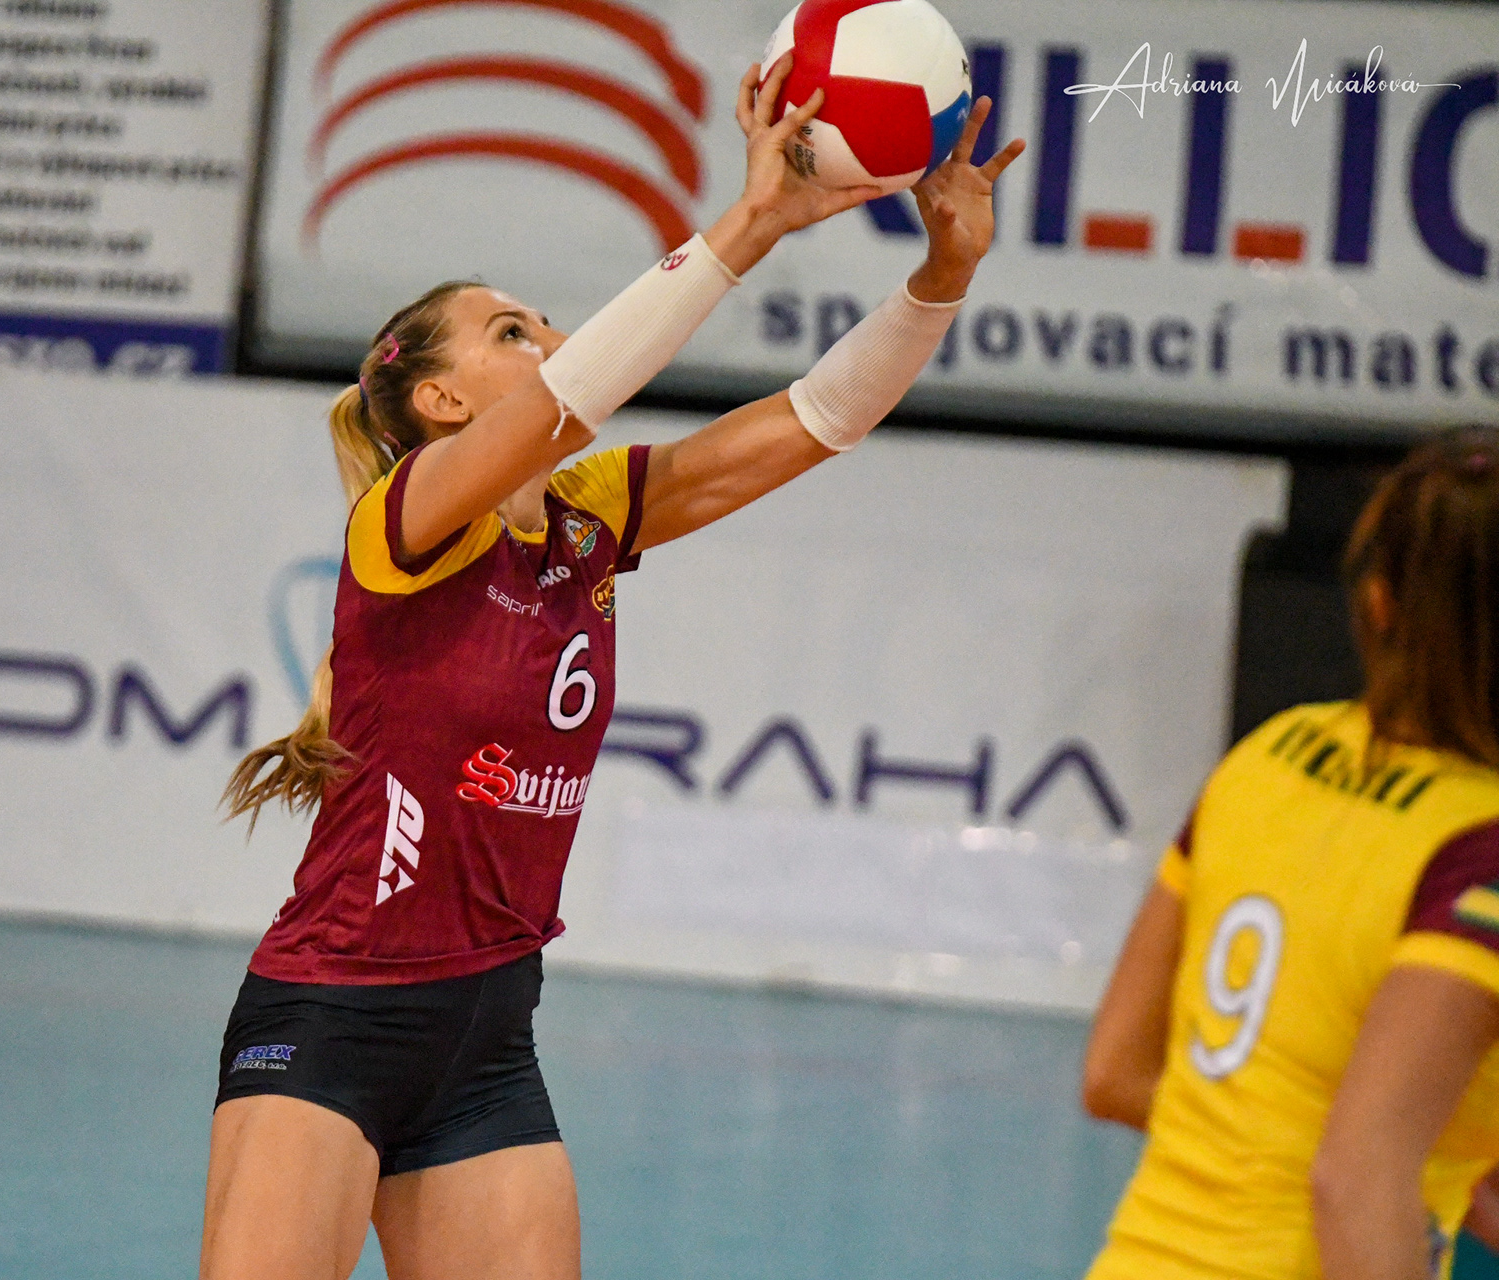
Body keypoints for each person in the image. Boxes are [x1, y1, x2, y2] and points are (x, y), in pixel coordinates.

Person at [201, 55, 1024, 1280]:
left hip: (488, 1035)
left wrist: (941, 277)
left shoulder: (589, 513)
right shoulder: (406, 523)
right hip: (331, 1018)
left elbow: (818, 418)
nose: (550, 338)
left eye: (542, 321)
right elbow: (575, 398)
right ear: (441, 399)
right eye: (511, 331)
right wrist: (754, 220)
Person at [1082, 428, 1499, 1280]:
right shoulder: (1476, 849)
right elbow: (1356, 1179)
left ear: (1378, 603)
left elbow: (1116, 1070)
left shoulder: (1266, 757)